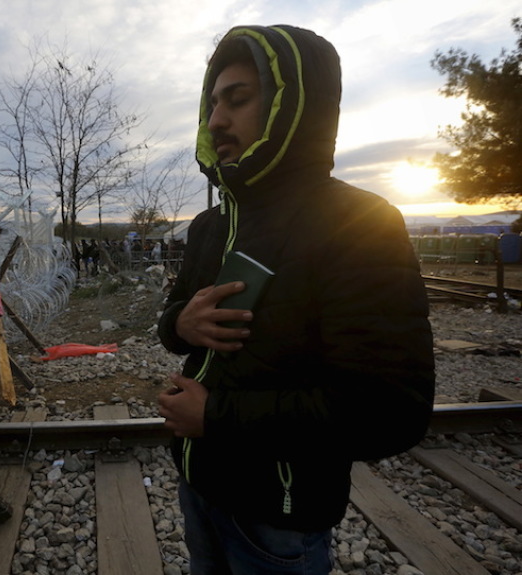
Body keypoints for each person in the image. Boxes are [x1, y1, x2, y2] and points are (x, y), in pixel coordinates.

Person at [157, 25, 435, 574]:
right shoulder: (210, 224)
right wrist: (179, 326)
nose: (216, 120)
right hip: (198, 483)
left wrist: (215, 416)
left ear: (294, 107)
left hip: (276, 515)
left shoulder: (359, 223)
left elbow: (389, 411)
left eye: (238, 100)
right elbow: (171, 323)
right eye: (212, 103)